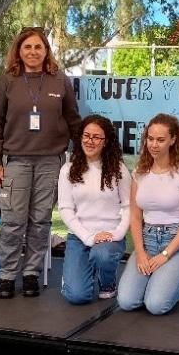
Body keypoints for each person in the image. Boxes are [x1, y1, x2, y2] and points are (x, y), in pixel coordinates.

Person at [0, 27, 81, 298]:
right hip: (16, 161)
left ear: (46, 50)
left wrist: (80, 159)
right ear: (19, 50)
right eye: (27, 47)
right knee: (13, 221)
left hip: (51, 161)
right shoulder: (8, 81)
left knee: (40, 221)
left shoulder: (59, 80)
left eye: (38, 47)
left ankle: (31, 274)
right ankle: (7, 276)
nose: (32, 52)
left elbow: (74, 120)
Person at [117, 114, 179, 315]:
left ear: (172, 140)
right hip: (147, 242)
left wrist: (165, 255)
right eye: (150, 138)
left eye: (160, 140)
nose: (154, 144)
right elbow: (135, 218)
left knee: (156, 305)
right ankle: (158, 280)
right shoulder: (139, 173)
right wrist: (141, 252)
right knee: (127, 302)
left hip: (177, 245)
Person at [58, 115, 131, 304]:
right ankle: (79, 274)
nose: (90, 141)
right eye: (86, 135)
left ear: (106, 142)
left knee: (102, 254)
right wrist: (88, 238)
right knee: (77, 296)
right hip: (79, 237)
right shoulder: (68, 169)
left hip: (109, 237)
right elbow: (65, 209)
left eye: (96, 137)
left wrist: (116, 235)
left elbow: (129, 206)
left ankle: (107, 283)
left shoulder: (118, 169)